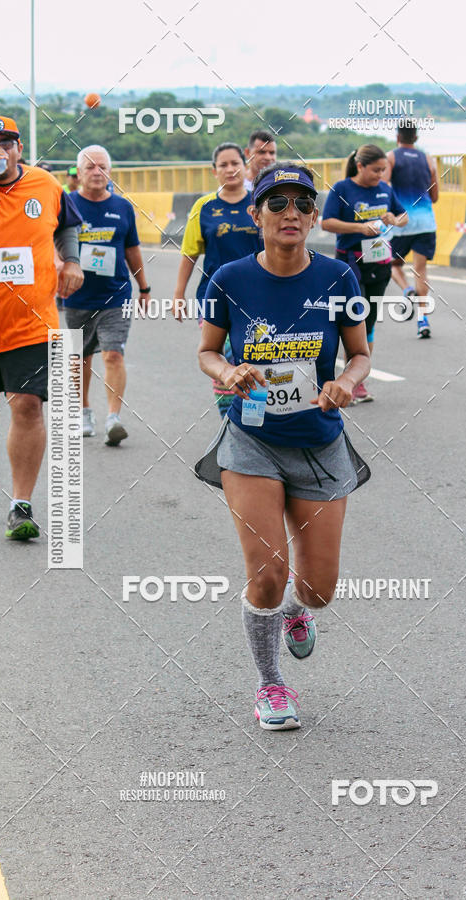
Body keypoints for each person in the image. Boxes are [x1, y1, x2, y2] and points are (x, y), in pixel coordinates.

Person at [195, 162, 371, 729]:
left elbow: (361, 353)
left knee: (318, 588)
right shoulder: (230, 280)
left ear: (314, 217)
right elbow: (207, 351)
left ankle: (299, 613)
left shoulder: (338, 279)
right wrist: (225, 372)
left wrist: (345, 381)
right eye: (278, 204)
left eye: (302, 204)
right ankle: (270, 686)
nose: (290, 213)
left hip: (319, 443)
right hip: (252, 439)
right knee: (268, 572)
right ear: (257, 215)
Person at [0, 114, 83, 538]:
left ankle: (22, 505)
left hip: (33, 322)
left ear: (20, 148)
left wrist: (72, 261)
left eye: (7, 142)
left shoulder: (45, 185)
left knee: (27, 404)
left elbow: (69, 224)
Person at [63, 144, 149, 446]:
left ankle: (114, 417)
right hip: (76, 296)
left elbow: (132, 249)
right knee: (80, 357)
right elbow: (50, 244)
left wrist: (144, 288)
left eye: (102, 167)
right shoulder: (67, 204)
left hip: (116, 295)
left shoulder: (123, 207)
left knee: (113, 353)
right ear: (79, 172)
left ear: (110, 171)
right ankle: (84, 412)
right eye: (90, 167)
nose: (97, 172)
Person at [173, 142, 262, 416]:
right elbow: (189, 253)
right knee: (223, 359)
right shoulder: (204, 207)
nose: (230, 169)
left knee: (254, 359)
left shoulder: (259, 202)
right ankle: (229, 418)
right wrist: (179, 295)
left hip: (259, 296)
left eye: (235, 163)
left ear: (245, 166)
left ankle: (254, 415)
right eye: (223, 165)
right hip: (214, 299)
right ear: (214, 172)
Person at [321, 144, 408, 403]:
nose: (380, 175)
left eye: (383, 170)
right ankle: (343, 378)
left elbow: (403, 215)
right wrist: (360, 228)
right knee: (352, 322)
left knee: (368, 323)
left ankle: (357, 381)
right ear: (360, 166)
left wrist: (394, 218)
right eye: (375, 170)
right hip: (351, 264)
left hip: (379, 263)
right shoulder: (343, 189)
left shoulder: (385, 189)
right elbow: (326, 222)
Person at [387, 120, 438, 338]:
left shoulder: (391, 157)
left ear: (397, 136)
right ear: (416, 138)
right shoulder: (428, 159)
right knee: (421, 270)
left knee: (391, 264)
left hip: (402, 222)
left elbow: (383, 186)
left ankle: (407, 290)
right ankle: (422, 320)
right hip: (426, 221)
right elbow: (435, 196)